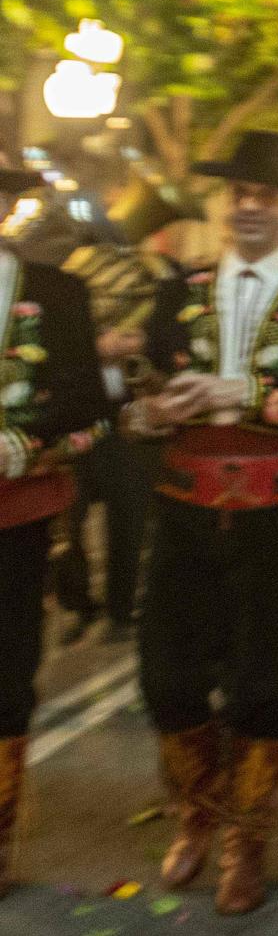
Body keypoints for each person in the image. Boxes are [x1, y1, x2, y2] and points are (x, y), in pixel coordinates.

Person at [125, 130, 278, 916]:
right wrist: (154, 409)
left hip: (276, 513)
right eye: (240, 195)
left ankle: (243, 840)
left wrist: (244, 396)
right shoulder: (178, 289)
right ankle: (197, 809)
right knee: (167, 676)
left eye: (266, 196)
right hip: (186, 505)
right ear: (228, 206)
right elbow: (141, 395)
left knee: (263, 685)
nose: (251, 208)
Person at [0, 159, 111, 897]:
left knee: (7, 676)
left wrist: (23, 442)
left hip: (16, 512)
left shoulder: (59, 292)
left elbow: (86, 404)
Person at [56, 178, 190, 642]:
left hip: (136, 413)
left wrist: (141, 346)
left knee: (129, 518)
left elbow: (176, 336)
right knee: (65, 519)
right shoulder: (74, 269)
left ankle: (118, 611)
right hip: (81, 413)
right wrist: (96, 347)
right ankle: (77, 601)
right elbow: (54, 335)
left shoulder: (166, 273)